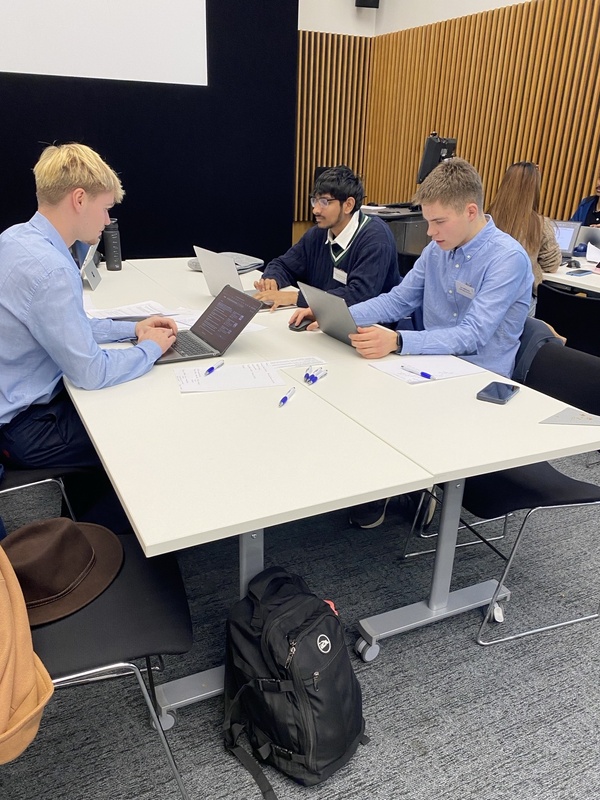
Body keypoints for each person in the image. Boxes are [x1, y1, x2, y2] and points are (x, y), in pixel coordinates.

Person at [328, 158, 533, 528]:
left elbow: (473, 334)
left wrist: (399, 340)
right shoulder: (438, 250)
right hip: (432, 365)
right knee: (353, 389)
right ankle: (391, 487)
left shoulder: (507, 258)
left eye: (439, 222)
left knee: (378, 403)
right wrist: (333, 313)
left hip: (478, 381)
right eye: (427, 221)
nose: (430, 232)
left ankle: (412, 488)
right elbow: (397, 300)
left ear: (471, 211)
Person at [0, 143, 177, 521]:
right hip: (25, 429)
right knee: (135, 433)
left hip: (14, 408)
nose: (108, 219)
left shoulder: (16, 239)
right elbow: (91, 372)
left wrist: (132, 328)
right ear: (79, 199)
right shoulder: (52, 270)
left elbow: (67, 326)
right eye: (105, 207)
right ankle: (108, 539)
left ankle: (84, 518)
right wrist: (149, 350)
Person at [254, 165, 400, 312]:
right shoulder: (317, 234)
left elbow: (358, 295)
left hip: (367, 327)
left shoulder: (376, 239)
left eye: (324, 202)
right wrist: (272, 279)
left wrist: (296, 298)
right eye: (314, 201)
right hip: (323, 317)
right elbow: (284, 265)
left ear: (348, 205)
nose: (315, 210)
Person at [487, 161, 561, 312]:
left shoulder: (485, 219)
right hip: (521, 301)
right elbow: (552, 265)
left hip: (486, 295)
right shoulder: (540, 225)